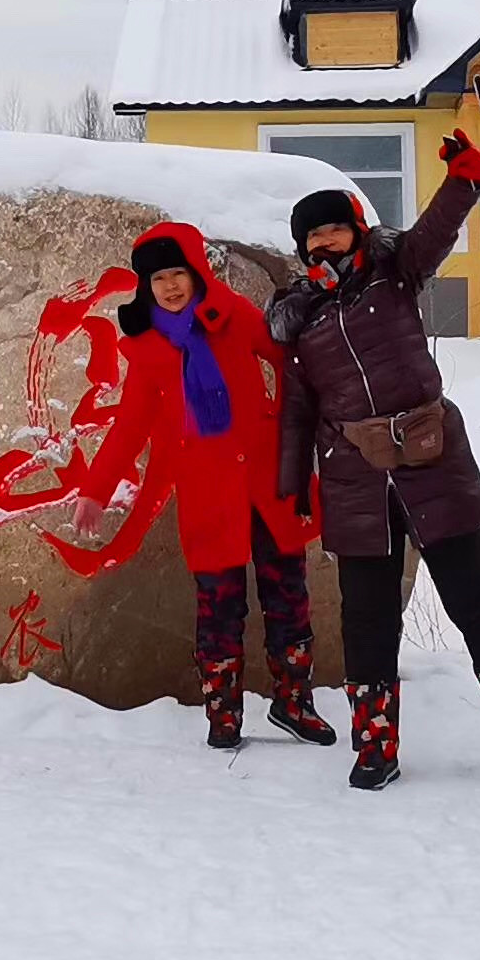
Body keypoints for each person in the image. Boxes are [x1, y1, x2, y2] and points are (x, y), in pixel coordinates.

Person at [266, 118, 480, 793]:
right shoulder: (301, 317)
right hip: (352, 474)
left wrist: (466, 176)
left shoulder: (396, 272)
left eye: (333, 228)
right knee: (367, 613)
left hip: (430, 454)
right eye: (312, 236)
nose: (324, 242)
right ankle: (376, 745)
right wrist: (292, 481)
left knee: (471, 593)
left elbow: (438, 229)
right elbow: (299, 407)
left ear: (356, 229)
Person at [98, 221, 333, 751]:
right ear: (147, 286)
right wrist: (96, 487)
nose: (171, 286)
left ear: (196, 272)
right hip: (208, 493)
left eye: (177, 272)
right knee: (219, 606)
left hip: (267, 481)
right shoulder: (148, 346)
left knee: (288, 594)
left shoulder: (232, 315)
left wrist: (281, 418)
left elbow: (288, 363)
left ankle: (294, 703)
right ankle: (223, 714)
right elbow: (131, 423)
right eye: (159, 278)